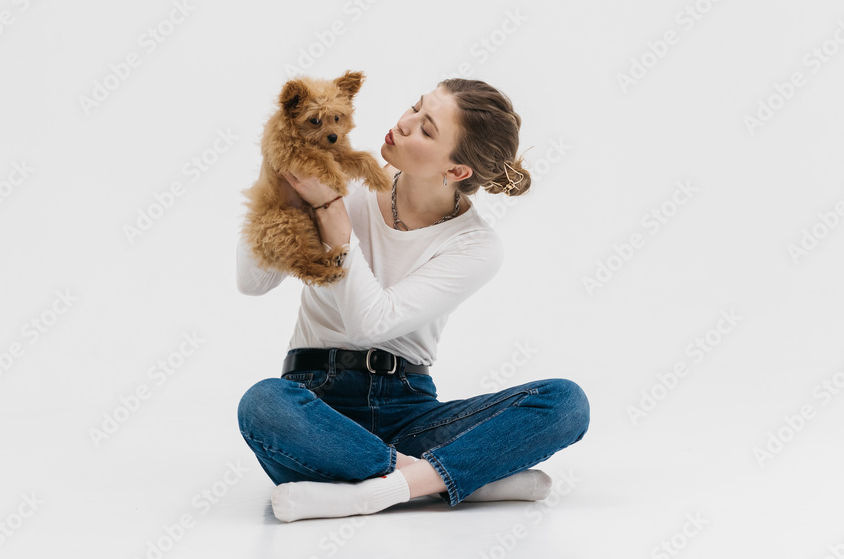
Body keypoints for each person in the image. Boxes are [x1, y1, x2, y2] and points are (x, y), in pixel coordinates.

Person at [236, 78, 590, 523]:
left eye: (426, 130)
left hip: (408, 410)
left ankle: (372, 492)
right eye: (414, 108)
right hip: (314, 404)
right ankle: (444, 479)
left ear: (457, 170)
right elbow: (253, 282)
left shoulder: (475, 245)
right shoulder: (341, 177)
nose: (403, 124)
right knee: (263, 403)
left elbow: (371, 324)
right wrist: (275, 185)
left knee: (565, 403)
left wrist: (332, 214)